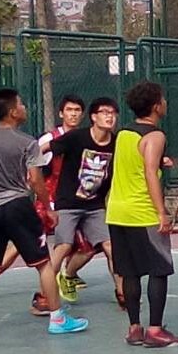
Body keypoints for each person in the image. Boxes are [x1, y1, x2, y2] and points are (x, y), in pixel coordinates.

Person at [0, 88, 89, 339]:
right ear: (13, 111)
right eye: (22, 104)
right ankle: (57, 319)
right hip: (18, 206)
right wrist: (49, 208)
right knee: (43, 263)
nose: (25, 107)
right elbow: (36, 180)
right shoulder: (27, 142)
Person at [0, 94, 95, 313]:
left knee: (89, 246)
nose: (73, 114)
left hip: (76, 200)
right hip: (50, 200)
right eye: (69, 110)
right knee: (27, 241)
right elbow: (33, 169)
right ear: (61, 113)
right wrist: (40, 195)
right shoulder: (49, 140)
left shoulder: (86, 138)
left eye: (77, 110)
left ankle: (67, 275)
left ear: (82, 115)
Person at [106, 81, 178, 348]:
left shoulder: (123, 134)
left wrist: (160, 161)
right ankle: (155, 330)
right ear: (156, 106)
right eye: (163, 99)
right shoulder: (156, 136)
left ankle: (134, 328)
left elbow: (131, 164)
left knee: (129, 272)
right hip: (142, 212)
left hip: (117, 211)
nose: (165, 103)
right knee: (159, 269)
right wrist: (162, 212)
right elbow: (149, 172)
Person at [40, 97, 123, 306]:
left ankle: (123, 294)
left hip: (95, 205)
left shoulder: (117, 142)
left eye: (113, 113)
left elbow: (138, 155)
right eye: (104, 112)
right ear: (94, 117)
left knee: (110, 247)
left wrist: (161, 160)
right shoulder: (76, 137)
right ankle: (43, 296)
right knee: (63, 246)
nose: (109, 117)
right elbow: (43, 149)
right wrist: (28, 167)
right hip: (68, 203)